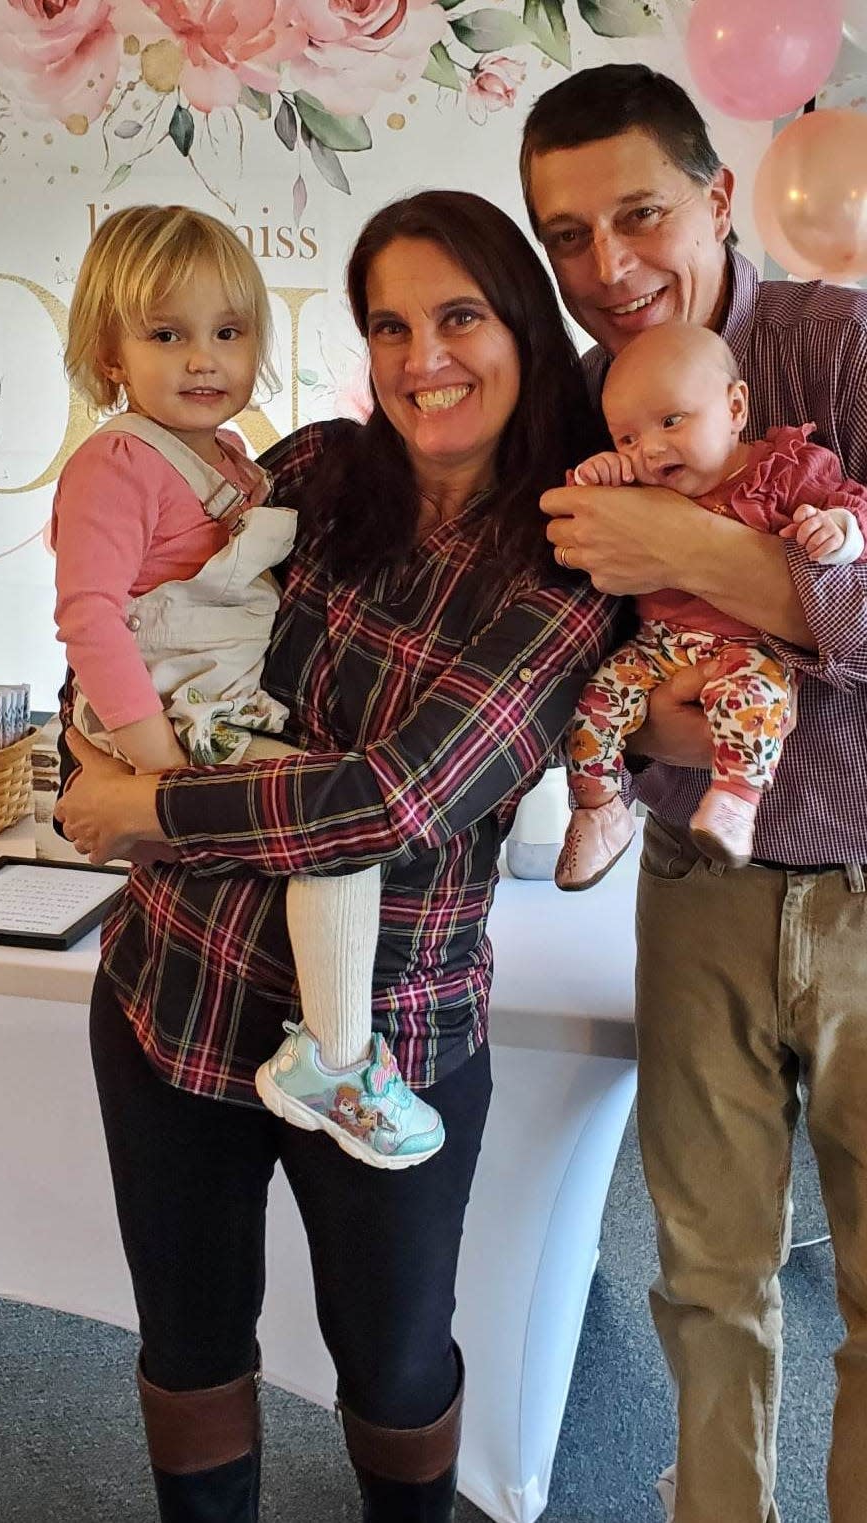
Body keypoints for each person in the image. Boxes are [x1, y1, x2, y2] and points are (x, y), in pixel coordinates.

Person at [53, 188, 617, 1523]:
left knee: (396, 1361)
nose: (424, 355)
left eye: (459, 316)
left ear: (524, 328)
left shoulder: (563, 567)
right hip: (172, 990)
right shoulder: (309, 470)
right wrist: (105, 731)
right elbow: (133, 603)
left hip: (390, 1045)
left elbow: (392, 801)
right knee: (189, 1342)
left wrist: (147, 811)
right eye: (390, 324)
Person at [520, 63, 867, 1523]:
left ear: (719, 199)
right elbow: (550, 649)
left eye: (638, 216)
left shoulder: (854, 352)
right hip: (698, 886)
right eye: (564, 235)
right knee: (706, 1281)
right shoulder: (573, 408)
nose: (605, 268)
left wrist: (746, 567)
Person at [53, 203, 443, 1168]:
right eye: (168, 334)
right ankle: (337, 1060)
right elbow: (90, 616)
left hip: (210, 692)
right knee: (333, 834)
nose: (203, 359)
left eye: (227, 333)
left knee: (320, 814)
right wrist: (150, 765)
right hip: (179, 706)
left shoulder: (232, 458)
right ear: (111, 351)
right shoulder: (116, 461)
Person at [554, 321, 867, 888]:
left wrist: (840, 530)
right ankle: (599, 808)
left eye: (671, 421)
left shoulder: (784, 470)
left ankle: (735, 800)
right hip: (658, 646)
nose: (649, 449)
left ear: (735, 406)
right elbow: (586, 521)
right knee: (594, 702)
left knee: (757, 702)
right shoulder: (642, 483)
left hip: (748, 646)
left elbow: (857, 507)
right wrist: (598, 476)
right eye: (626, 438)